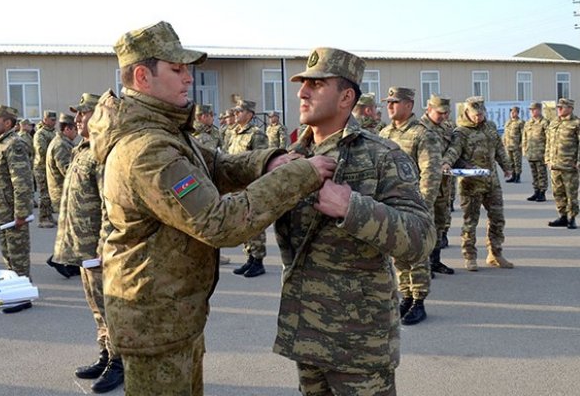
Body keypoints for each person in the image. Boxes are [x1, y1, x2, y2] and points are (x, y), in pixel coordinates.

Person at [90, 21, 335, 395]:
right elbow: (220, 223)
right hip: (156, 323)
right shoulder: (147, 150)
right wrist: (299, 176)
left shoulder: (163, 132)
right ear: (142, 76)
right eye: (177, 69)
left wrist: (265, 163)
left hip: (172, 314)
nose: (188, 79)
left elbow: (215, 165)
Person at [274, 47, 435, 395]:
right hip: (307, 334)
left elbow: (421, 238)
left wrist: (353, 208)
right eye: (303, 84)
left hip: (359, 344)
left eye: (316, 85)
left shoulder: (382, 155)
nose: (302, 92)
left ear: (346, 96)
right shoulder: (293, 159)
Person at [53, 93, 124, 393]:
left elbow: (111, 206)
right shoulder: (82, 150)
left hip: (99, 251)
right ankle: (105, 354)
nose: (77, 119)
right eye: (78, 114)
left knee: (112, 309)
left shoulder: (104, 153)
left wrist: (103, 249)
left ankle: (119, 363)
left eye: (83, 114)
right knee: (98, 309)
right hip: (83, 250)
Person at [379, 86, 443, 325]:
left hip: (413, 204)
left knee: (416, 252)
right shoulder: (385, 133)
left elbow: (431, 171)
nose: (390, 106)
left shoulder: (422, 134)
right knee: (397, 252)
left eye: (395, 102)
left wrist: (423, 204)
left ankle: (419, 301)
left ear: (408, 104)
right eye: (388, 102)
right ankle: (405, 294)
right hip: (390, 203)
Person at [441, 96, 514, 271]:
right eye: (475, 114)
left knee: (497, 219)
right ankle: (470, 256)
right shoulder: (461, 132)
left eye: (481, 114)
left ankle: (495, 253)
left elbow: (499, 150)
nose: (478, 117)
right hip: (470, 184)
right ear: (467, 112)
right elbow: (453, 151)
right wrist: (446, 162)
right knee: (470, 222)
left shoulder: (490, 127)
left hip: (492, 183)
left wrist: (507, 167)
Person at [0, 104, 35, 314]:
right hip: (1, 210)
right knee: (8, 254)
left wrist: (22, 212)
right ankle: (15, 293)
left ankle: (23, 296)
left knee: (18, 255)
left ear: (8, 122)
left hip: (12, 211)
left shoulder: (14, 144)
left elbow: (21, 181)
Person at [227, 98, 271, 278]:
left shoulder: (257, 134)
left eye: (240, 111)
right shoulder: (234, 133)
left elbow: (260, 160)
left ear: (250, 114)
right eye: (235, 111)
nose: (236, 114)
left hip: (250, 185)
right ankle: (249, 257)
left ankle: (258, 260)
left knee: (254, 222)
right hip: (236, 185)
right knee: (242, 222)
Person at [420, 95, 456, 270]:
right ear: (429, 109)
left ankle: (435, 261)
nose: (444, 116)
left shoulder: (445, 129)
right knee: (425, 225)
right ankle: (422, 265)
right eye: (440, 113)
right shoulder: (419, 129)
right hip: (424, 186)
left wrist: (447, 160)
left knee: (440, 223)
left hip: (442, 185)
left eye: (446, 113)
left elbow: (453, 149)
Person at [545, 98, 580, 229]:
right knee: (557, 193)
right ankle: (562, 216)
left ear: (570, 108)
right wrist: (547, 159)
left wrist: (579, 161)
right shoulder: (554, 123)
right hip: (555, 165)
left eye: (562, 107)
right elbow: (549, 142)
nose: (559, 109)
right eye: (558, 107)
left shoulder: (577, 123)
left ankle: (572, 218)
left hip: (569, 165)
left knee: (571, 194)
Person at [46, 113, 77, 213]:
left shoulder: (64, 143)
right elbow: (67, 170)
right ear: (67, 129)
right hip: (63, 194)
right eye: (75, 129)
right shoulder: (61, 145)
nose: (77, 133)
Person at [33, 110, 58, 228]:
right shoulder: (41, 134)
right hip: (42, 167)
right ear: (45, 119)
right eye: (52, 120)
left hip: (49, 167)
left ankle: (49, 216)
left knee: (49, 193)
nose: (54, 122)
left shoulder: (52, 133)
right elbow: (41, 151)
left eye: (55, 120)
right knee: (44, 194)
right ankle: (42, 218)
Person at [523, 102, 549, 202]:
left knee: (541, 174)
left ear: (539, 110)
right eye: (531, 110)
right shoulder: (528, 122)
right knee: (534, 174)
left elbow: (549, 138)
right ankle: (536, 191)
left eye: (534, 109)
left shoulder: (544, 122)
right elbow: (525, 137)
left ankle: (542, 193)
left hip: (540, 153)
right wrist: (525, 150)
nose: (532, 112)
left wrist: (547, 153)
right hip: (531, 153)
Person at [504, 106, 524, 183]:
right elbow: (505, 134)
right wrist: (504, 143)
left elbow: (523, 135)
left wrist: (521, 144)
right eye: (511, 112)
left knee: (517, 162)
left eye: (514, 112)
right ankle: (513, 176)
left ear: (517, 113)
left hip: (516, 146)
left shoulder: (520, 122)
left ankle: (518, 177)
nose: (512, 113)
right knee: (510, 162)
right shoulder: (508, 122)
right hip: (508, 146)